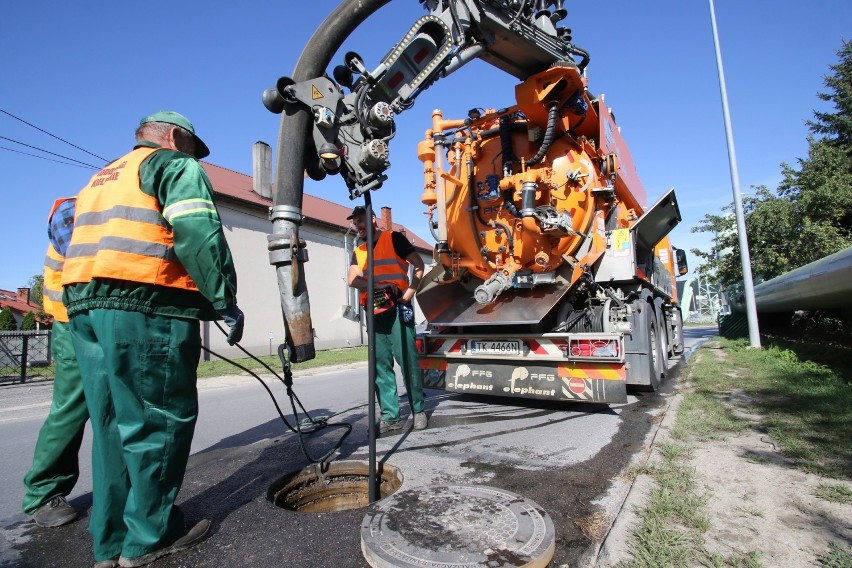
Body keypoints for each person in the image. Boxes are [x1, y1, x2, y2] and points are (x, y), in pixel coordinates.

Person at [61, 111, 244, 568]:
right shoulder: (172, 165)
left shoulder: (101, 179)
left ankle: (109, 543)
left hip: (85, 308)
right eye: (191, 147)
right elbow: (197, 233)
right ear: (174, 136)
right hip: (146, 305)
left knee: (112, 426)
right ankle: (149, 538)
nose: (193, 157)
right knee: (157, 420)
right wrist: (223, 298)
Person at [21, 197, 88, 529]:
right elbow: (87, 259)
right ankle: (44, 493)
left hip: (104, 317)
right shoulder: (74, 212)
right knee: (72, 408)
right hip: (73, 321)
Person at [346, 205, 427, 434]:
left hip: (398, 308)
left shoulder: (394, 239)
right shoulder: (359, 251)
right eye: (355, 222)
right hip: (374, 310)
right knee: (381, 364)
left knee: (407, 359)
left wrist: (409, 293)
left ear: (373, 219)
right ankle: (390, 416)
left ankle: (418, 410)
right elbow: (352, 279)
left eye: (361, 220)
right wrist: (377, 285)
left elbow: (419, 266)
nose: (358, 226)